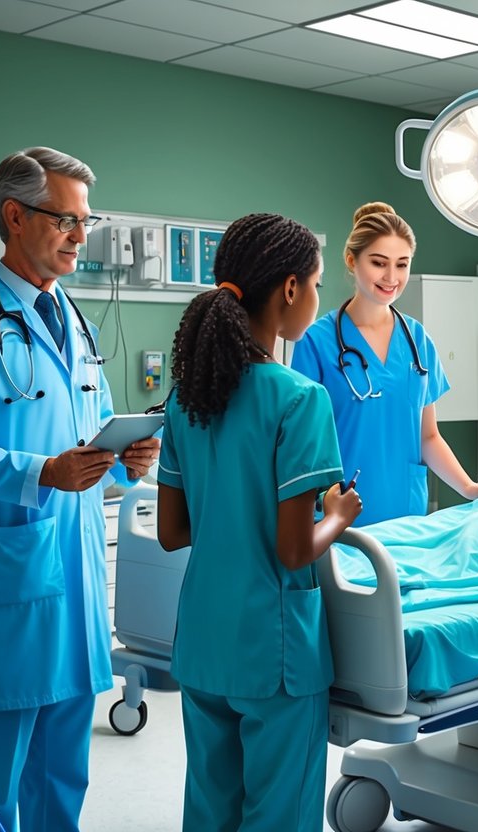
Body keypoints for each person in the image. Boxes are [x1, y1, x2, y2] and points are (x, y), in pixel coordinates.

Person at [0, 147, 160, 831]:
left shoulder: (74, 320)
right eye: (66, 220)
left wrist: (126, 457)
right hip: (12, 583)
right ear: (15, 217)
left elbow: (91, 428)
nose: (82, 236)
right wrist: (39, 472)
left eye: (87, 221)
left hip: (77, 575)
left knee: (63, 773)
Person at [155, 213, 362, 832]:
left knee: (211, 808)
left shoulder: (187, 398)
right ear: (291, 290)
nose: (318, 300)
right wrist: (340, 515)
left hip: (204, 645)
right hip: (274, 657)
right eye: (319, 285)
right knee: (279, 815)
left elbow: (172, 532)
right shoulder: (299, 398)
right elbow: (296, 550)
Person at [290, 201, 478, 525]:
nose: (391, 277)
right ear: (351, 260)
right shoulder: (316, 342)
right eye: (379, 263)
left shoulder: (417, 340)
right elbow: (302, 447)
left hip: (409, 522)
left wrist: (469, 487)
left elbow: (428, 437)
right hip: (341, 526)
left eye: (402, 264)